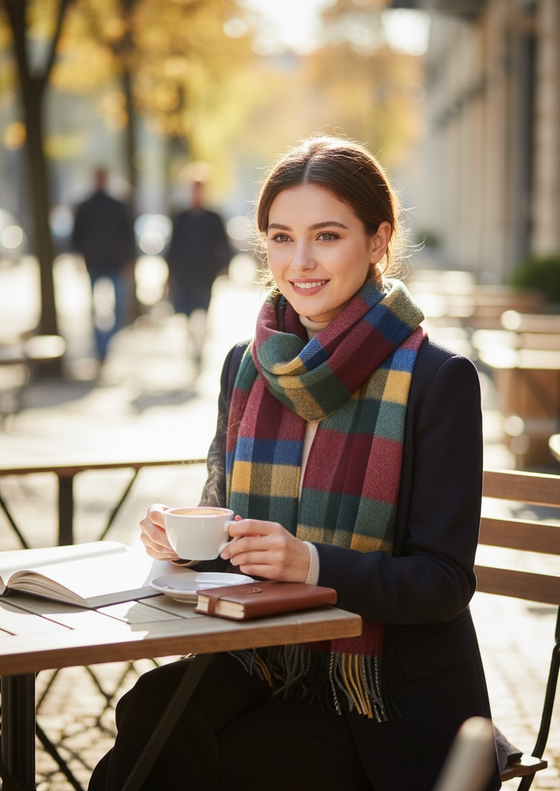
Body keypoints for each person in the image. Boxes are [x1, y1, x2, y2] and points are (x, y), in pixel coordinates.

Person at [89, 136, 501, 791]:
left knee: (222, 763)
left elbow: (443, 582)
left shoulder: (436, 379)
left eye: (327, 236)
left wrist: (310, 563)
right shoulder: (246, 368)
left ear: (377, 241)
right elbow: (229, 538)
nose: (300, 261)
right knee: (153, 710)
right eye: (281, 237)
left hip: (382, 693)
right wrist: (181, 543)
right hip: (261, 658)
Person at [166, 172, 231, 369]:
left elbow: (224, 244)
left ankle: (199, 344)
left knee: (202, 309)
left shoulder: (214, 217)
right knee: (185, 310)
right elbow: (173, 246)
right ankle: (191, 341)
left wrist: (224, 266)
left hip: (206, 272)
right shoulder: (181, 217)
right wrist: (169, 272)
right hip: (184, 273)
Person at [72, 167, 136, 362]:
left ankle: (105, 343)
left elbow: (127, 234)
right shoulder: (85, 205)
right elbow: (77, 235)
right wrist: (78, 257)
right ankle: (100, 347)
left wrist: (129, 261)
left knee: (118, 310)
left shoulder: (117, 204)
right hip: (94, 263)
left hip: (114, 264)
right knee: (95, 309)